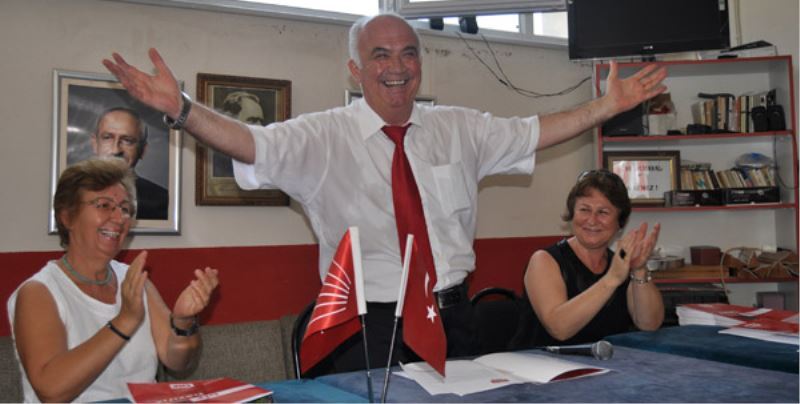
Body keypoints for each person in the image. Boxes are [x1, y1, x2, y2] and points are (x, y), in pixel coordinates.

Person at [102, 13, 667, 373]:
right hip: (367, 329)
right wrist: (181, 109)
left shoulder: (460, 128)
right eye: (381, 55)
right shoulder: (322, 138)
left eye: (408, 53)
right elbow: (249, 143)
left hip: (455, 319)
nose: (397, 67)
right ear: (356, 69)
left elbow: (535, 132)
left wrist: (606, 107)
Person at [7, 158, 219, 402]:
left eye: (125, 208)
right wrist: (124, 321)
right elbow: (51, 390)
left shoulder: (134, 281)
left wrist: (183, 322)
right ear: (67, 217)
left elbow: (178, 361)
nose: (119, 218)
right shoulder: (39, 292)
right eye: (104, 205)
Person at [513, 170, 664, 349]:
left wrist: (639, 269)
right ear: (572, 214)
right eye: (584, 210)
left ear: (619, 222)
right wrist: (612, 279)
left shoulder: (619, 264)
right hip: (543, 363)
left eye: (603, 212)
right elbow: (559, 328)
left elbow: (649, 324)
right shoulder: (543, 260)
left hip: (606, 363)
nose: (592, 220)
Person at [92, 107, 169, 220]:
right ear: (95, 144)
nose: (116, 150)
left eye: (127, 140)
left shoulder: (163, 201)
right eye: (108, 138)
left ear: (143, 150)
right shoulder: (70, 193)